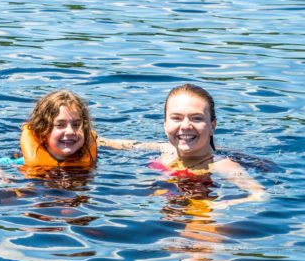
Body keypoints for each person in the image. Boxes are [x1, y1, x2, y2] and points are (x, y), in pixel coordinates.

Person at [100, 83, 266, 207]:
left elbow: (260, 195)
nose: (185, 126)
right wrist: (97, 139)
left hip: (196, 218)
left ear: (212, 126)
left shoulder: (222, 165)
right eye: (177, 118)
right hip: (164, 211)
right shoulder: (167, 149)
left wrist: (221, 205)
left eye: (196, 118)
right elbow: (131, 145)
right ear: (165, 124)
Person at [20, 90, 97, 168]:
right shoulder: (22, 162)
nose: (70, 131)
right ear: (43, 130)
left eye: (76, 125)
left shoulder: (93, 157)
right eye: (60, 125)